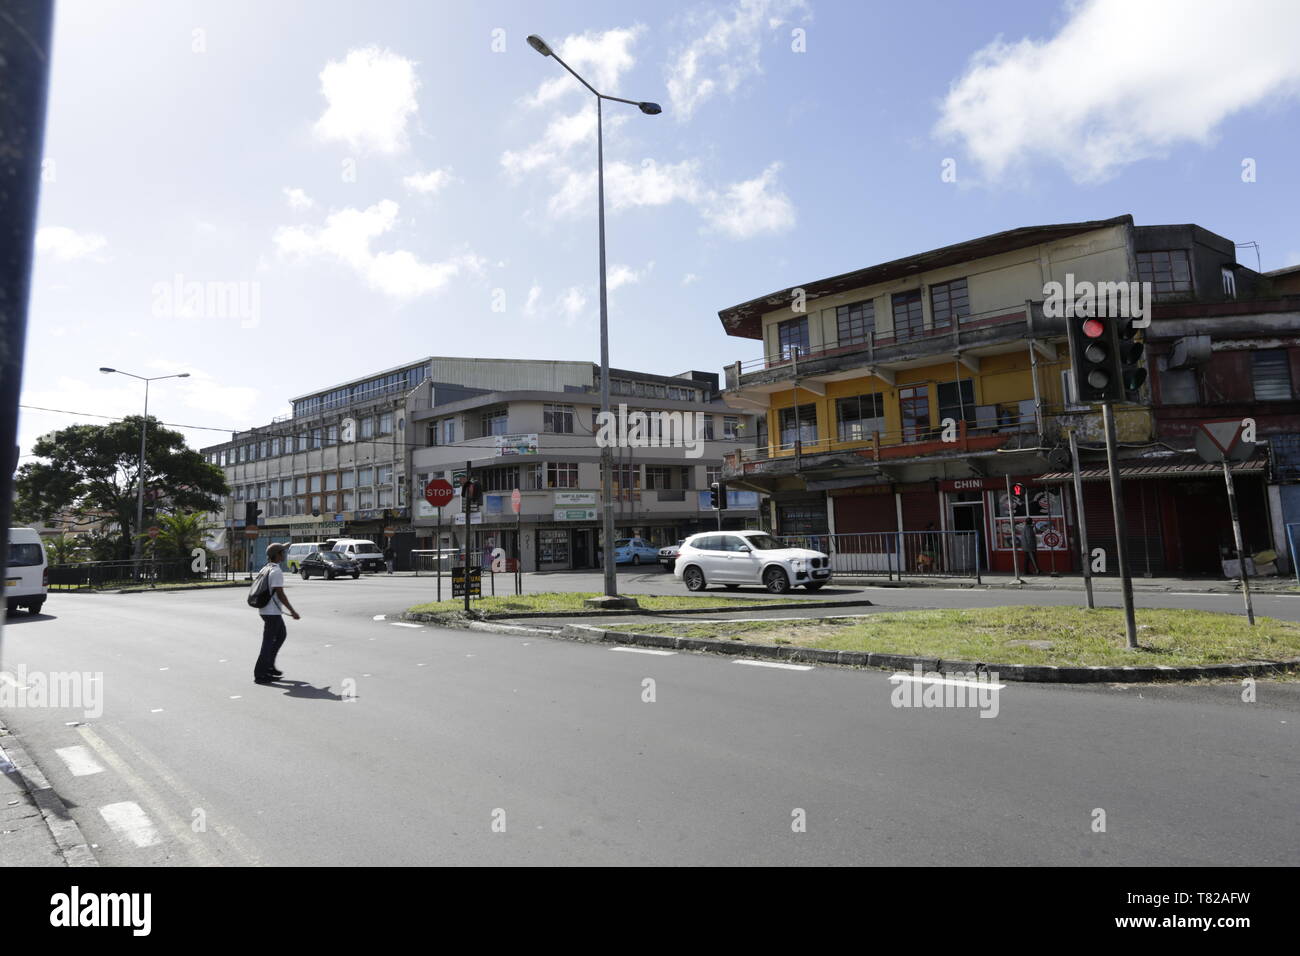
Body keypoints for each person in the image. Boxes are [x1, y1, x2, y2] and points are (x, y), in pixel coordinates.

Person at [254, 542, 300, 685]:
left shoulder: (266, 568)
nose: (284, 555)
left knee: (280, 636)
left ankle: (269, 666)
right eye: (283, 552)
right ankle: (260, 673)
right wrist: (292, 611)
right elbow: (280, 594)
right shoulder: (276, 571)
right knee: (268, 642)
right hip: (272, 612)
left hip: (267, 610)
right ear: (278, 555)